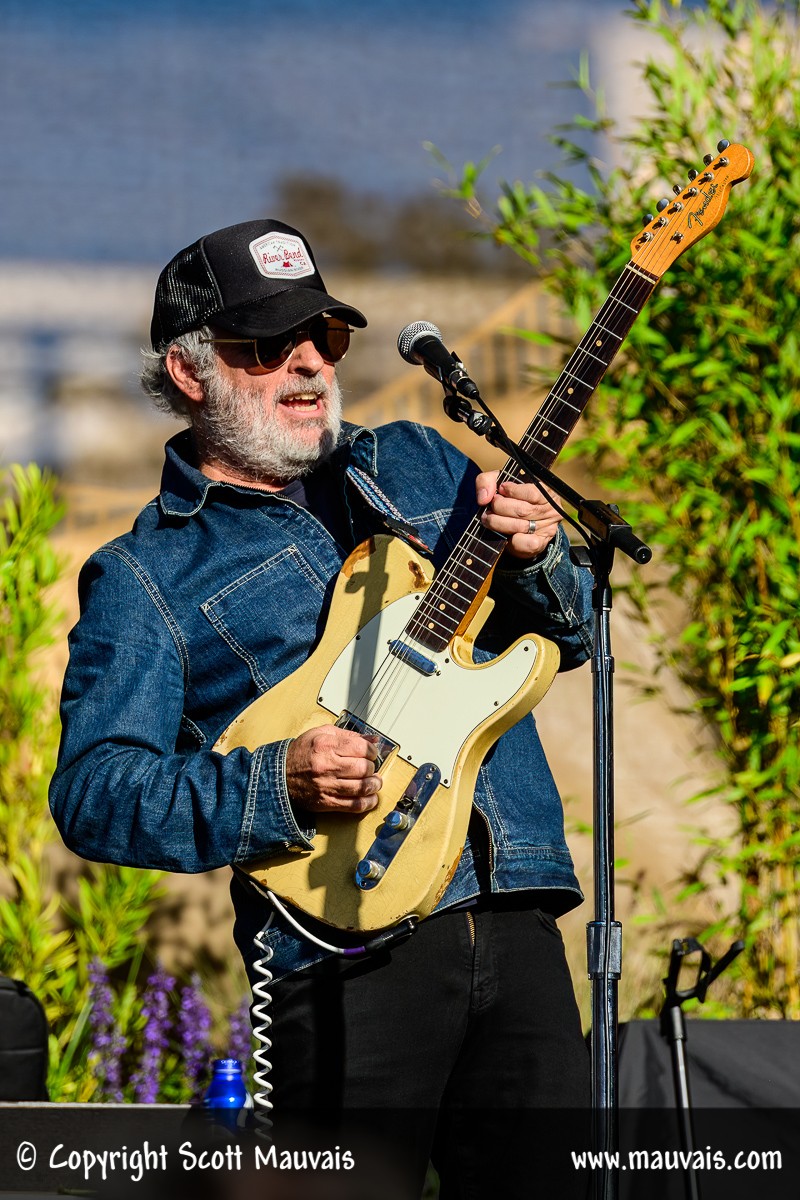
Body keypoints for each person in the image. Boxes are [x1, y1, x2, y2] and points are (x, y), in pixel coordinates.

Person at [50, 219, 593, 1197]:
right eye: (266, 346)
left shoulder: (421, 467)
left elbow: (569, 636)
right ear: (188, 370)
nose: (307, 363)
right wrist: (278, 783)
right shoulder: (147, 575)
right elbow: (96, 792)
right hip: (340, 951)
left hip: (514, 912)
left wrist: (541, 555)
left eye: (324, 337)